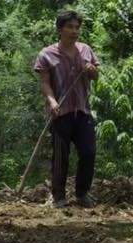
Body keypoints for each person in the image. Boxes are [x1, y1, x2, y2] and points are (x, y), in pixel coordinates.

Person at [33, 11, 100, 207]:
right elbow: (45, 83)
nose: (74, 31)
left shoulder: (85, 50)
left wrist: (91, 70)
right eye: (70, 27)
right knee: (60, 156)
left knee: (88, 151)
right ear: (60, 30)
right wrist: (52, 101)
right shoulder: (47, 54)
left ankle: (82, 193)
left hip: (82, 110)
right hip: (60, 112)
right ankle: (59, 196)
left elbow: (95, 76)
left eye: (77, 28)